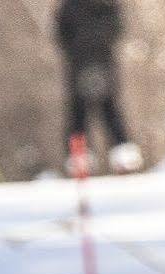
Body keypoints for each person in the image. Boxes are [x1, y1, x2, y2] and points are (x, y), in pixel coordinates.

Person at [53, 0, 141, 173]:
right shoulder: (72, 6)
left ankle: (121, 155)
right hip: (83, 63)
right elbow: (61, 33)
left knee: (105, 108)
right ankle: (81, 157)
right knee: (82, 111)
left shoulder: (103, 5)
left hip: (97, 62)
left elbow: (115, 29)